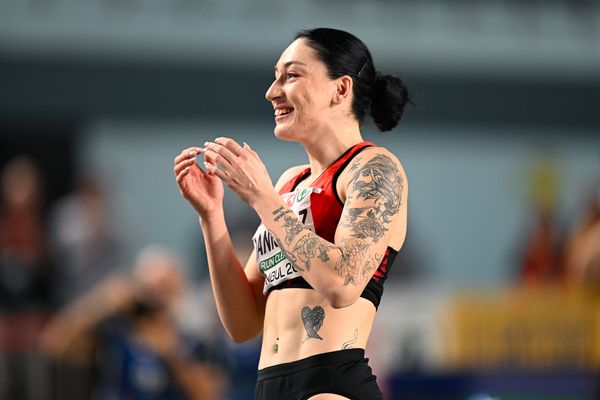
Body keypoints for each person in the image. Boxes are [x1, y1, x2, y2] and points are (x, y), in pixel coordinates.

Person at [174, 28, 409, 399]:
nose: (272, 91)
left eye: (291, 75)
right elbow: (242, 324)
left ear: (341, 89)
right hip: (269, 385)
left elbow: (343, 284)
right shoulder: (288, 183)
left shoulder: (375, 169)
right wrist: (211, 216)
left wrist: (262, 198)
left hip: (330, 385)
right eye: (275, 77)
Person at [39, 246, 225, 400]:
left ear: (179, 292)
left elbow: (210, 394)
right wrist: (99, 303)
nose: (156, 299)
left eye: (165, 289)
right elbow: (54, 344)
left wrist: (171, 355)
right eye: (150, 289)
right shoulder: (117, 332)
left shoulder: (191, 340)